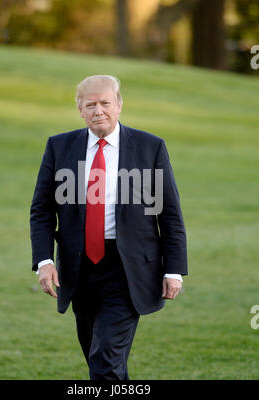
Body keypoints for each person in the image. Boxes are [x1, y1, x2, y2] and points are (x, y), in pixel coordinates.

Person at [30, 75, 188, 380]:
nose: (98, 110)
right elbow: (42, 210)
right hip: (79, 268)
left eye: (105, 103)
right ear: (79, 110)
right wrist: (44, 261)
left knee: (104, 359)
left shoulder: (149, 147)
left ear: (119, 106)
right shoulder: (59, 146)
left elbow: (169, 213)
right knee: (100, 358)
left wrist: (174, 269)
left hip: (128, 269)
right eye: (90, 104)